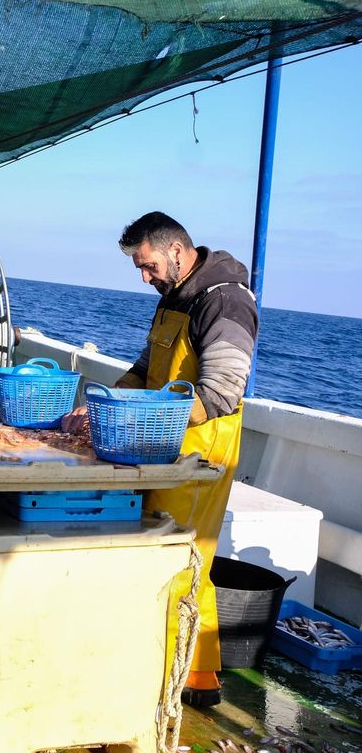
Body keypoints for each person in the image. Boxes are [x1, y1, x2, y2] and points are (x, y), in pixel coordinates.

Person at [61, 211, 258, 708]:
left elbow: (222, 393)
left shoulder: (226, 300)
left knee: (184, 562)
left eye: (147, 265)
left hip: (198, 455)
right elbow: (147, 369)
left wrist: (139, 414)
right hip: (158, 448)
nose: (144, 277)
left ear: (176, 251)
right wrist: (102, 403)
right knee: (157, 557)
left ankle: (193, 677)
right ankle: (162, 664)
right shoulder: (175, 297)